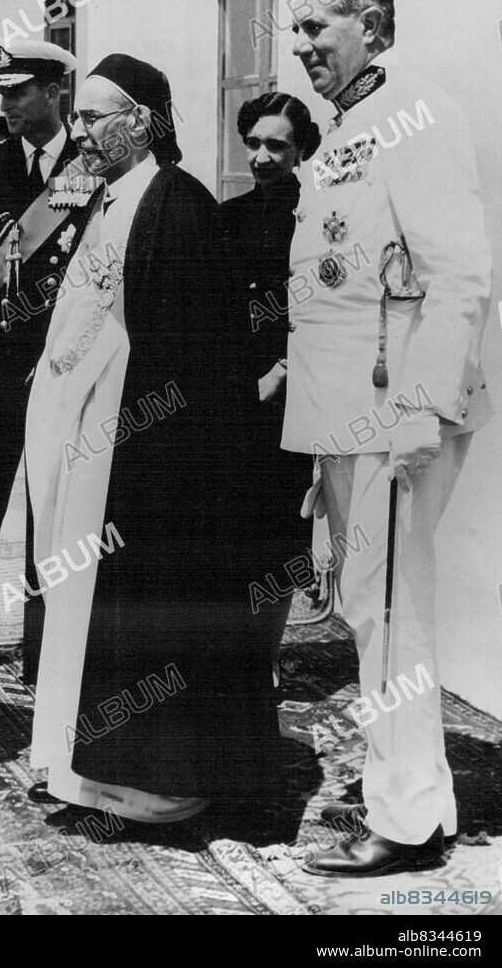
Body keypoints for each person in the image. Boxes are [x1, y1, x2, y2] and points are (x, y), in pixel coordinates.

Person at [24, 53, 280, 820]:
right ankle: (86, 767)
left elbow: (201, 357)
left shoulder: (178, 204)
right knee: (83, 606)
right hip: (95, 443)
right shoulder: (104, 202)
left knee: (150, 614)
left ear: (140, 120)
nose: (81, 129)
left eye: (96, 115)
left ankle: (157, 785)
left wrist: (160, 452)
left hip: (156, 458)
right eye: (79, 116)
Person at [281, 0, 492, 876]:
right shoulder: (348, 129)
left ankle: (405, 824)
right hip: (345, 413)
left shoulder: (416, 114)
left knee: (393, 615)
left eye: (316, 30)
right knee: (372, 610)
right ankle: (416, 802)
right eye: (295, 31)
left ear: (369, 25)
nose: (300, 48)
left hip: (393, 411)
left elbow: (459, 277)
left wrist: (417, 411)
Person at [0, 39, 97, 683]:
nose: (6, 104)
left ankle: (47, 648)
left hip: (66, 354)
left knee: (54, 500)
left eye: (19, 92)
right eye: (1, 94)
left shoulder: (90, 164)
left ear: (55, 92)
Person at [219, 92, 321, 682]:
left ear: (300, 149)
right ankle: (235, 652)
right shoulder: (224, 221)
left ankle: (266, 654)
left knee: (284, 530)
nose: (261, 157)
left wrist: (282, 373)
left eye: (276, 145)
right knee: (234, 527)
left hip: (297, 397)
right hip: (239, 397)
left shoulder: (317, 220)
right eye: (253, 143)